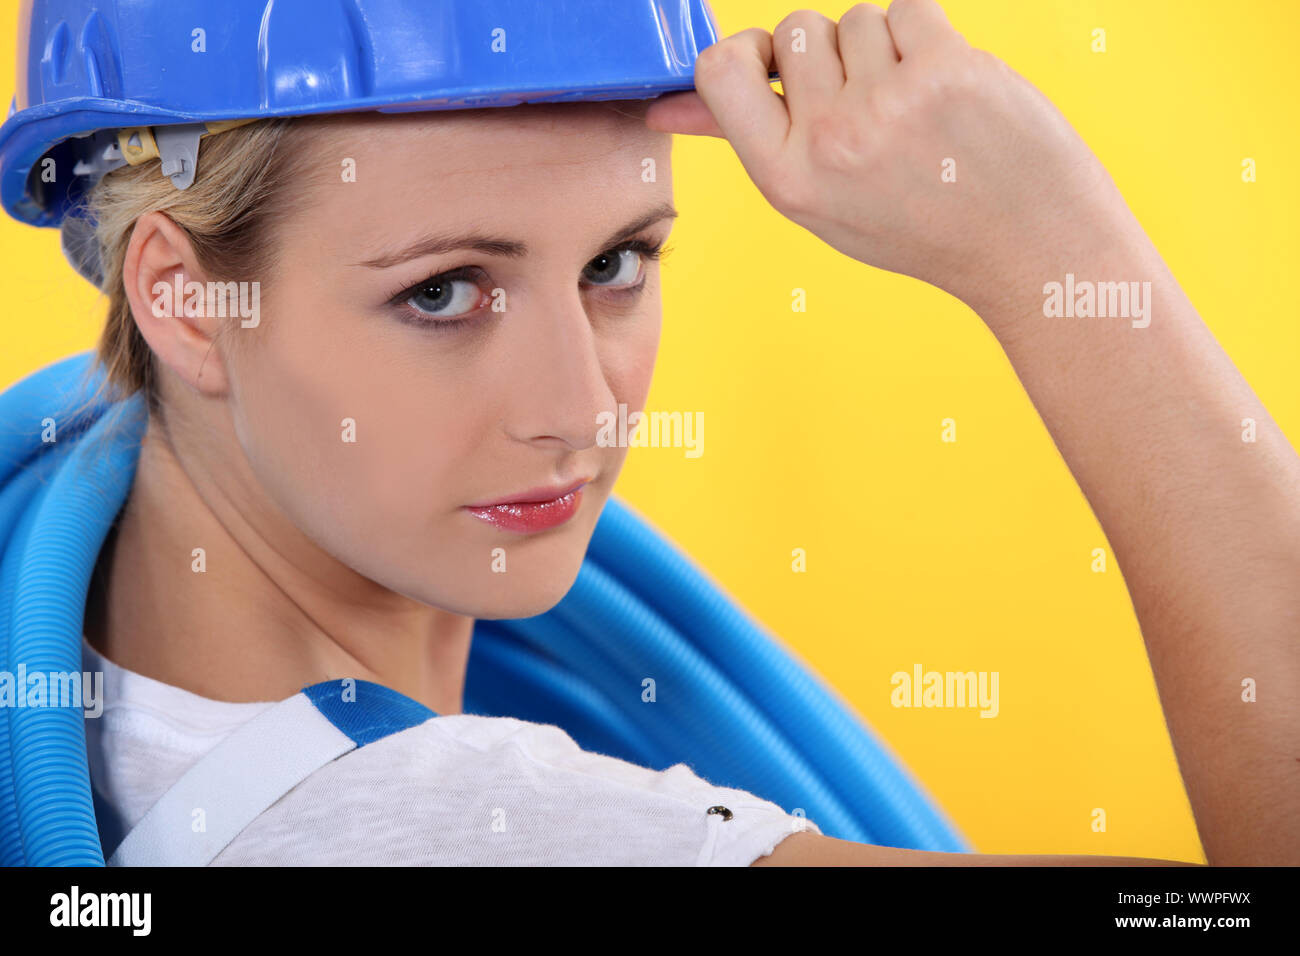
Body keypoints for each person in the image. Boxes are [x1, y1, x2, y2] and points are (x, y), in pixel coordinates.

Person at [24, 0, 1300, 865]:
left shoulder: (105, 672)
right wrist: (1054, 248)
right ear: (183, 297)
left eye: (618, 261)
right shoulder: (470, 826)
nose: (577, 407)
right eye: (441, 289)